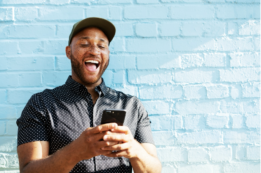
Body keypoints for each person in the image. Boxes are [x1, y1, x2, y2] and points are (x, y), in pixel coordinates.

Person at [16, 17, 162, 173]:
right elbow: (28, 170)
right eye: (84, 44)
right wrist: (74, 152)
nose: (94, 51)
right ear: (68, 52)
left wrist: (135, 150)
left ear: (108, 53)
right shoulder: (41, 104)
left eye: (101, 45)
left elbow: (153, 169)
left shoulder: (132, 106)